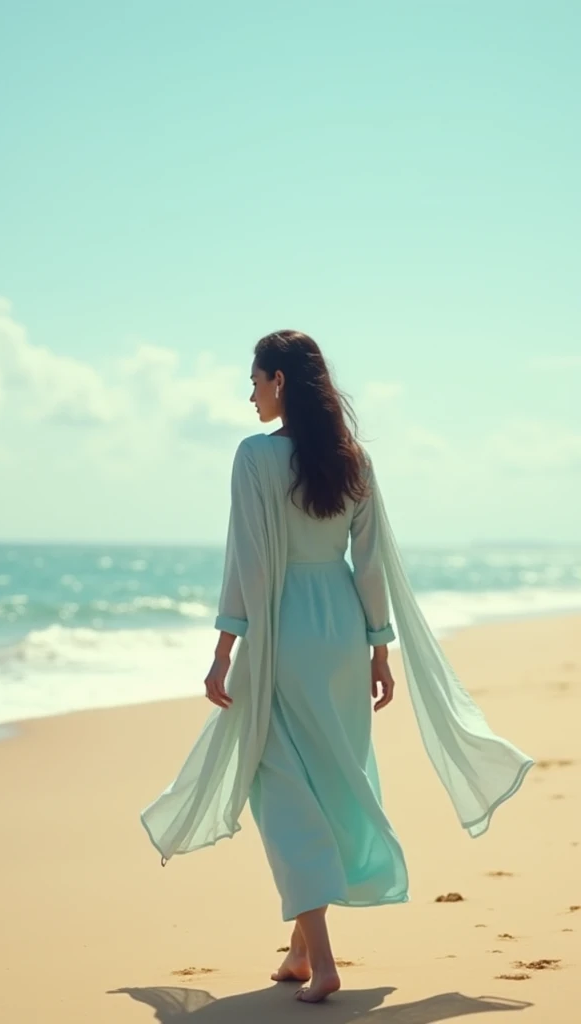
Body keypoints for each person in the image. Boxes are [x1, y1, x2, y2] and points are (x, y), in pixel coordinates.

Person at [141, 330, 534, 1004]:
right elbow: (373, 562)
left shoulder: (255, 458)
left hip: (284, 629)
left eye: (256, 380)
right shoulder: (355, 462)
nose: (251, 393)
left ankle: (323, 961)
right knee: (332, 779)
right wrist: (380, 648)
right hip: (343, 630)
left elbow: (248, 563)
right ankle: (299, 953)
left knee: (285, 791)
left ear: (281, 383)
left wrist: (224, 650)